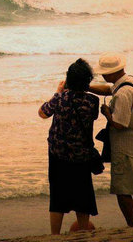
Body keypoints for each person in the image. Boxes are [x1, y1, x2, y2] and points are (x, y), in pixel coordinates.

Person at [38, 58, 99, 235]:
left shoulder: (60, 99)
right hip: (82, 156)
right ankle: (82, 232)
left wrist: (58, 92)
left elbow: (42, 113)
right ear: (87, 81)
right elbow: (92, 117)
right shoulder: (92, 102)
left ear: (68, 79)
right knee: (83, 196)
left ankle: (55, 235)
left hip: (58, 155)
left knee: (58, 197)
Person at [89, 52, 133, 227]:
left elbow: (120, 124)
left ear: (113, 72)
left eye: (104, 73)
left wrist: (107, 113)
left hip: (125, 149)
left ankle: (132, 227)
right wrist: (87, 87)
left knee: (123, 191)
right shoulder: (131, 82)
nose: (102, 75)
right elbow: (109, 89)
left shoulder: (122, 94)